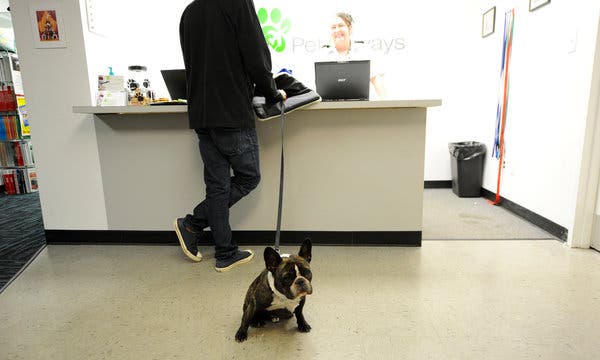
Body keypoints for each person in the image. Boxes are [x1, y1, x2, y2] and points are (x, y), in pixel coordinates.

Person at [176, 0, 286, 272]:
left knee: (218, 186)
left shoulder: (189, 12)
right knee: (249, 177)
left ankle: (223, 249)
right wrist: (273, 93)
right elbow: (257, 56)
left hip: (202, 115)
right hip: (231, 113)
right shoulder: (237, 3)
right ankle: (195, 224)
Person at [323, 12, 387, 99]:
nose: (337, 30)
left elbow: (377, 80)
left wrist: (384, 103)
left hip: (360, 106)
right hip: (330, 107)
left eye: (341, 25)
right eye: (333, 27)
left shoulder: (364, 51)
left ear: (350, 28)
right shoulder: (322, 54)